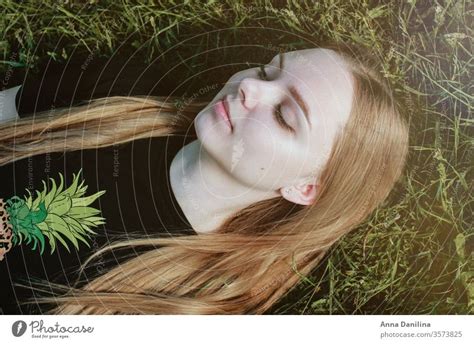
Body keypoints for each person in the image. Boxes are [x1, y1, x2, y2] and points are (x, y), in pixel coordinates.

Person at [0, 42, 409, 315]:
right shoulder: (120, 87)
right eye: (268, 72)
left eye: (285, 115)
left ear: (305, 188)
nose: (249, 86)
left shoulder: (182, 307)